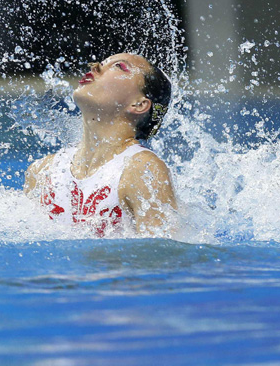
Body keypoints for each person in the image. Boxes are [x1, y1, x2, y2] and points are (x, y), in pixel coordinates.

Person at [24, 53, 177, 237]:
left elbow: (165, 257)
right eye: (103, 62)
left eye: (119, 66)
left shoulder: (142, 170)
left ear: (139, 104)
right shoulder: (42, 173)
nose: (95, 66)